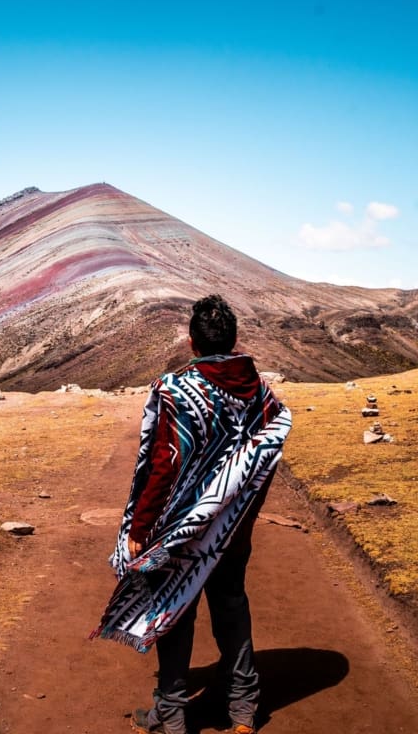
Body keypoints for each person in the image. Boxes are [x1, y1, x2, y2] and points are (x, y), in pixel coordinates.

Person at [92, 294, 292, 734]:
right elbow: (263, 460)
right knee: (231, 604)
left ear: (191, 341)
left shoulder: (176, 390)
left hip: (181, 529)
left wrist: (140, 527)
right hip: (232, 529)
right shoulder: (262, 395)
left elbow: (163, 465)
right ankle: (243, 710)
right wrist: (238, 514)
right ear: (234, 341)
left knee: (175, 609)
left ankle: (171, 716)